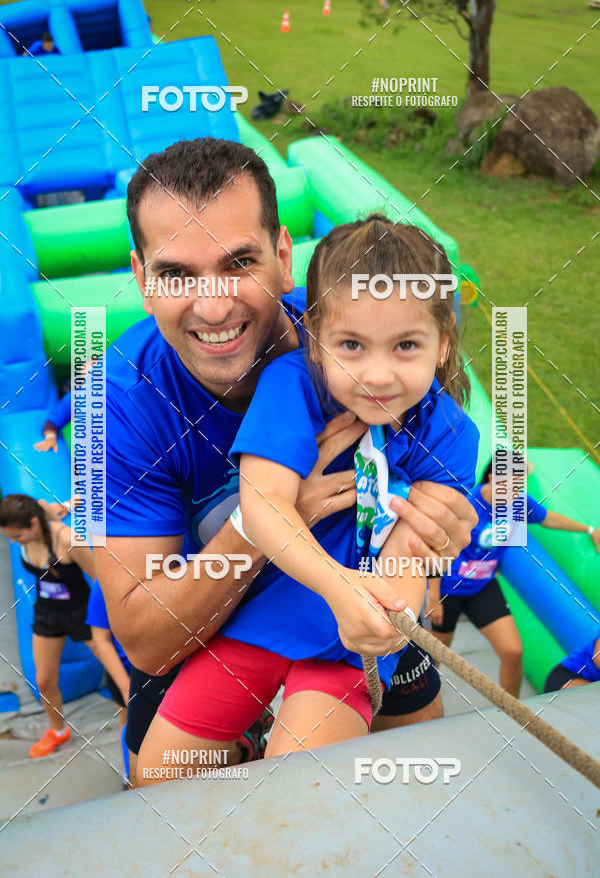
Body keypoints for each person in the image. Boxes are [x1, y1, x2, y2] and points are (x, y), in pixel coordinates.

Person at [94, 137, 478, 785]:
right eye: (176, 274)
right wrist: (264, 519)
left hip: (355, 617)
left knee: (400, 790)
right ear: (140, 279)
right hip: (204, 625)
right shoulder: (117, 406)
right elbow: (147, 642)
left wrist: (430, 551)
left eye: (238, 261)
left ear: (282, 257)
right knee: (157, 799)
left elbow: (434, 498)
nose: (213, 307)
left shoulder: (362, 327)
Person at [428, 456, 600, 697]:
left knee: (513, 652)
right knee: (436, 655)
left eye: (520, 486)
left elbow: (548, 518)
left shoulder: (517, 503)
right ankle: (428, 701)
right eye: (512, 486)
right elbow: (437, 547)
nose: (517, 492)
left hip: (482, 588)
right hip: (448, 589)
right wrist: (433, 595)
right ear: (493, 479)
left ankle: (510, 711)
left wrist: (590, 530)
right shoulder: (467, 504)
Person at [0, 495, 97, 757]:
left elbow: (98, 577)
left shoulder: (65, 540)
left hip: (81, 610)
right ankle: (58, 731)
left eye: (17, 535)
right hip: (47, 612)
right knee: (44, 680)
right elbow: (44, 506)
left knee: (120, 668)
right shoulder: (33, 519)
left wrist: (66, 506)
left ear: (32, 523)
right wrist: (63, 506)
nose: (12, 541)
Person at [86, 580, 131, 730]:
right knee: (128, 724)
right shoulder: (104, 585)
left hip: (171, 673)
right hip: (124, 671)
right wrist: (125, 687)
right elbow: (101, 638)